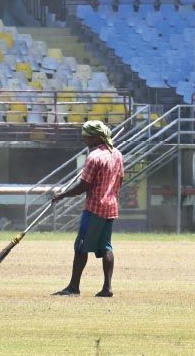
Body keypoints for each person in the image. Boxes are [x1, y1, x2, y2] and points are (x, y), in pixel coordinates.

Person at [51, 120, 125, 297]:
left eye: (86, 137)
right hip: (111, 207)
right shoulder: (117, 154)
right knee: (106, 247)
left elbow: (83, 186)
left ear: (95, 138)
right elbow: (120, 179)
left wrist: (62, 195)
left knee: (81, 247)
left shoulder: (94, 157)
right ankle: (107, 288)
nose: (84, 140)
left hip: (94, 208)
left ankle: (73, 287)